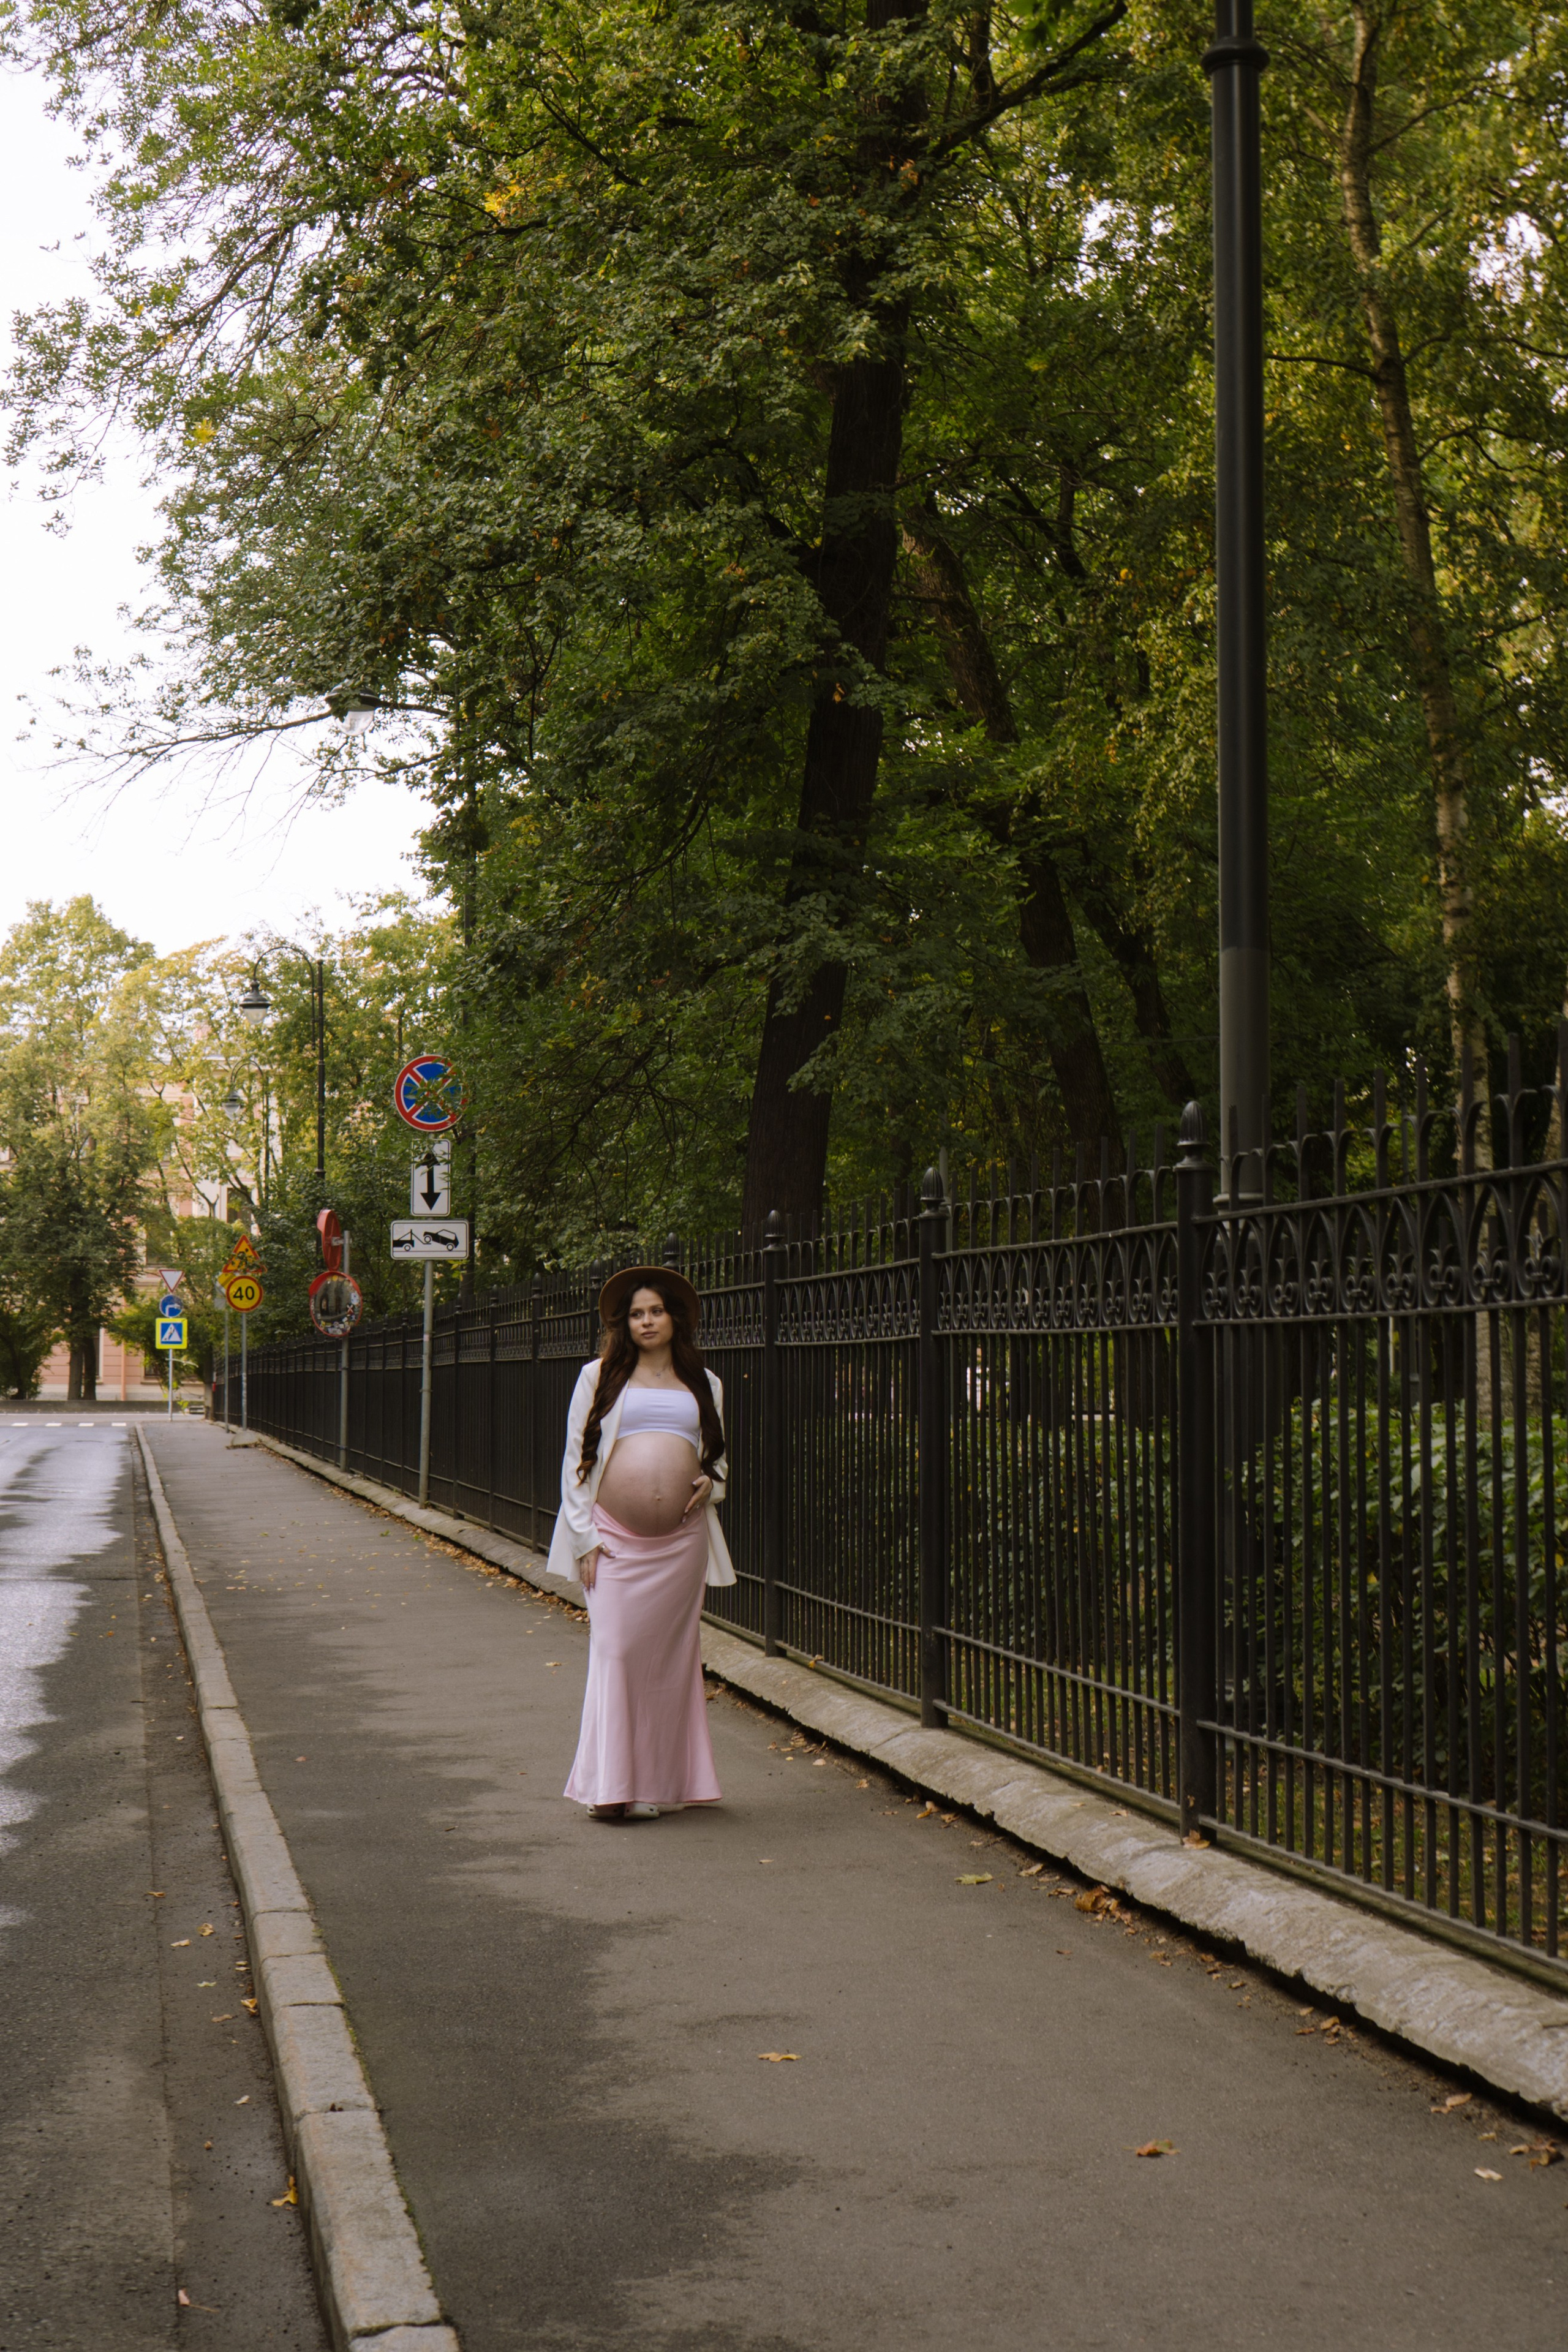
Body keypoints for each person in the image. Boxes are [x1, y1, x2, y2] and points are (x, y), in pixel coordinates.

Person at [549, 1265, 735, 1820]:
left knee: (671, 1663)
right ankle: (610, 1787)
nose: (647, 1321)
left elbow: (718, 1460)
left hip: (680, 1544)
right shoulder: (599, 1376)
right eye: (636, 1314)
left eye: (655, 1311)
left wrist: (712, 1485)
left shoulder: (706, 1382)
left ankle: (656, 1786)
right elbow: (573, 1461)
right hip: (613, 1539)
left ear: (675, 1318)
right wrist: (582, 1537)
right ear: (623, 1324)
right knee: (618, 1652)